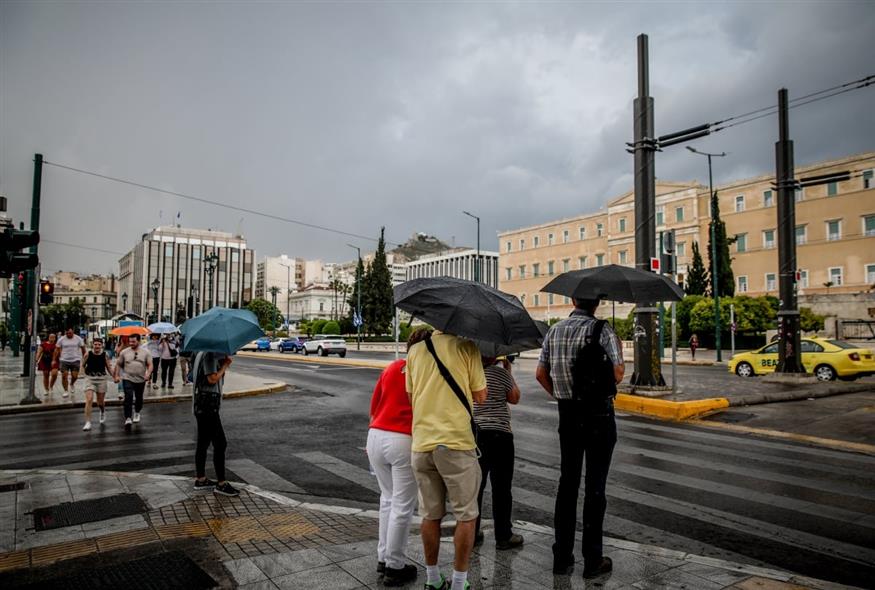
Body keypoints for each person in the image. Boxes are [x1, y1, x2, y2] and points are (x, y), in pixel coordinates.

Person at [536, 297, 625, 579]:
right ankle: (593, 560)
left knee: (567, 485)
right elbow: (618, 374)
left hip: (568, 415)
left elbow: (540, 373)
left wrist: (561, 396)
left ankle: (562, 558)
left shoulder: (555, 330)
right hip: (599, 415)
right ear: (596, 302)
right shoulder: (603, 330)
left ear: (574, 300)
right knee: (595, 488)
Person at [406, 330, 488, 590]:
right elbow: (481, 396)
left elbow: (411, 396)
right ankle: (459, 582)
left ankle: (432, 579)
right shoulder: (467, 347)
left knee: (430, 515)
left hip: (422, 443)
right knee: (466, 515)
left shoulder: (415, 350)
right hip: (455, 442)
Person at [366, 328, 432, 587]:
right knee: (403, 505)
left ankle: (383, 557)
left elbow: (374, 406)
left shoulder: (392, 367)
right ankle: (395, 566)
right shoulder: (424, 372)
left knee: (387, 499)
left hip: (376, 435)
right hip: (402, 438)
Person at [473, 356, 524, 550]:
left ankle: (472, 532)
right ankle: (503, 536)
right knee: (502, 488)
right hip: (501, 436)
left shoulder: (471, 373)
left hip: (477, 435)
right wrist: (508, 373)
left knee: (476, 487)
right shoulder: (500, 373)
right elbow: (515, 398)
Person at [191, 351, 238, 496]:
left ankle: (201, 479)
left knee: (203, 442)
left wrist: (222, 363)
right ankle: (221, 484)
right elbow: (212, 379)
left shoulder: (201, 353)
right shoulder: (210, 354)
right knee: (220, 444)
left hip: (202, 403)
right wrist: (225, 365)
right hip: (208, 405)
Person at [113, 333, 153, 430]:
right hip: (127, 378)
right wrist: (116, 375)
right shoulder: (124, 352)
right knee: (128, 397)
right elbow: (118, 364)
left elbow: (150, 364)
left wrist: (148, 374)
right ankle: (128, 417)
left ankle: (137, 412)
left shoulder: (146, 352)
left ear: (138, 341)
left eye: (133, 342)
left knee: (139, 398)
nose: (131, 343)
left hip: (140, 379)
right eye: (130, 341)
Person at [82, 338, 113, 431]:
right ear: (93, 345)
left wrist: (115, 376)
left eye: (99, 344)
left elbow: (108, 367)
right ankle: (88, 422)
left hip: (101, 379)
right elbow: (82, 365)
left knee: (100, 402)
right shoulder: (88, 354)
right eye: (95, 344)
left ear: (102, 346)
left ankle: (102, 411)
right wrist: (83, 374)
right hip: (90, 378)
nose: (97, 346)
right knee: (89, 399)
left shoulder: (105, 355)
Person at [57, 328, 86, 398]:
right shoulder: (61, 339)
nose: (68, 334)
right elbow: (57, 348)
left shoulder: (78, 339)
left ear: (73, 331)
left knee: (75, 376)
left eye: (70, 333)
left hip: (75, 360)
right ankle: (66, 391)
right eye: (67, 333)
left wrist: (85, 358)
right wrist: (57, 358)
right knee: (64, 376)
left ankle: (72, 384)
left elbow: (83, 349)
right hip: (64, 360)